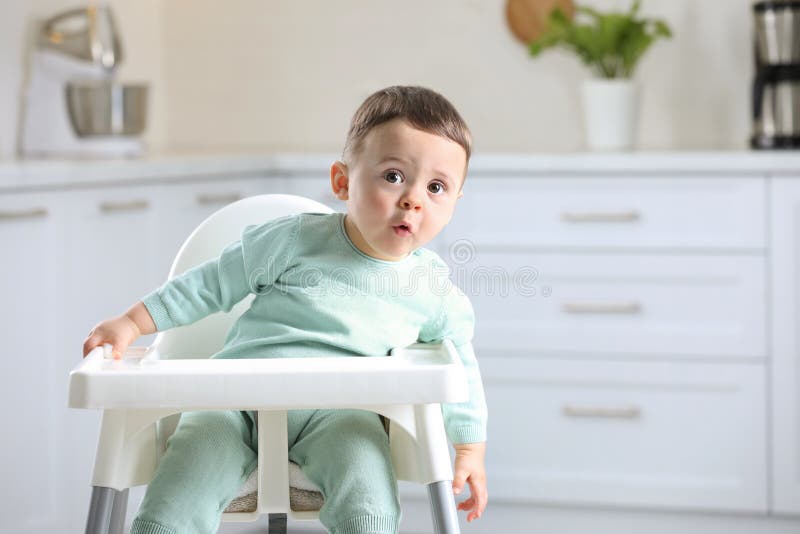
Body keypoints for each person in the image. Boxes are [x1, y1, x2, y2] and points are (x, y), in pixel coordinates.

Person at [83, 85, 488, 534]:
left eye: (436, 187)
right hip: (233, 403)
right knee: (184, 480)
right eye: (393, 176)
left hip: (343, 412)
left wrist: (469, 447)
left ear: (453, 206)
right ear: (342, 181)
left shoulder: (431, 288)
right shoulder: (293, 240)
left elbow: (459, 361)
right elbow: (209, 284)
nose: (413, 198)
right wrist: (133, 322)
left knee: (367, 485)